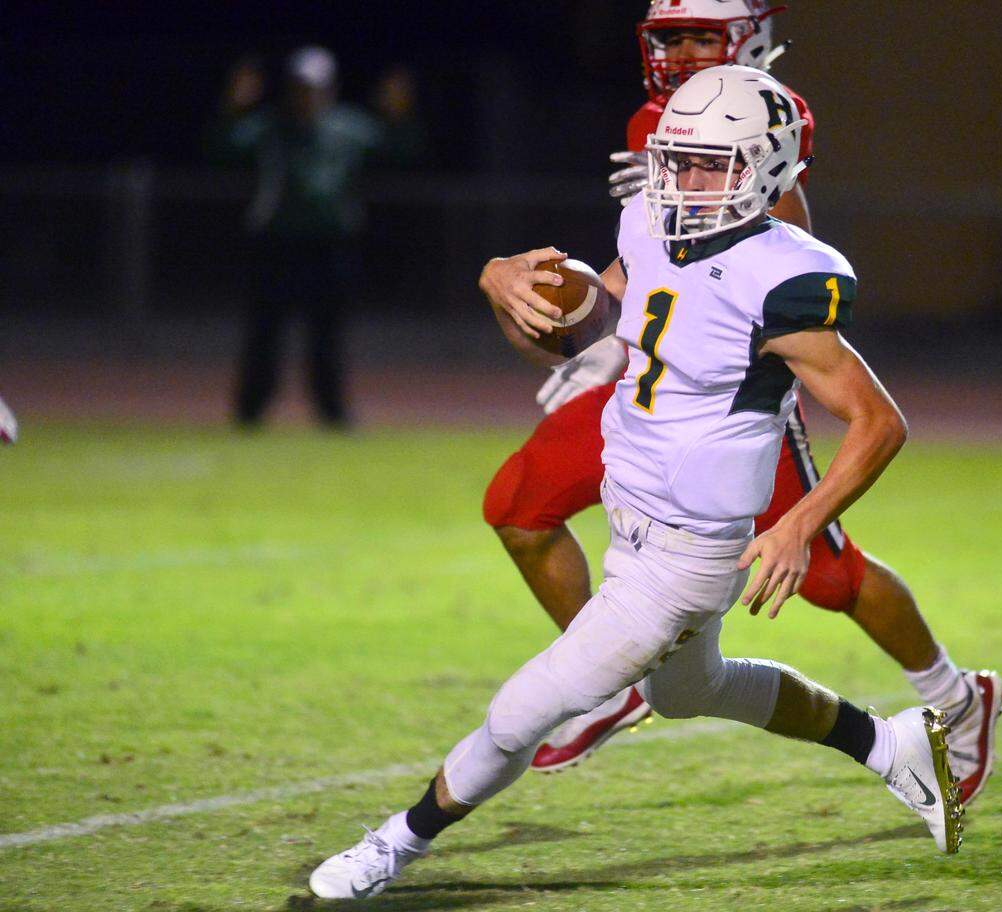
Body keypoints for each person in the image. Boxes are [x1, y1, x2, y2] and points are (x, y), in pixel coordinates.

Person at [309, 67, 966, 900]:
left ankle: (393, 847)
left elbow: (879, 421)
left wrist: (800, 522)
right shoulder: (650, 222)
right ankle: (890, 744)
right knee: (696, 691)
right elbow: (589, 329)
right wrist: (501, 277)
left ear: (766, 168)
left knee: (526, 709)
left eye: (710, 165)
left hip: (691, 556)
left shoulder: (784, 273)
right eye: (677, 159)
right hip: (629, 518)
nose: (685, 181)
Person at [481, 0, 1002, 802]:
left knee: (830, 574)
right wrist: (571, 317)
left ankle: (958, 700)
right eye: (671, 37)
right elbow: (644, 266)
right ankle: (615, 680)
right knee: (519, 506)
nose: (684, 53)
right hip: (645, 390)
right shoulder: (651, 118)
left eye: (703, 35)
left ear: (750, 39)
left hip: (730, 401)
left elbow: (757, 267)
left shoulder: (768, 125)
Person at [207, 47, 387, 428]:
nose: (307, 97)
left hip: (330, 247)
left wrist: (399, 115)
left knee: (327, 336)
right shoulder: (267, 128)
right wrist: (233, 107)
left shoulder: (349, 128)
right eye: (300, 88)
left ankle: (332, 412)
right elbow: (221, 149)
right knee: (264, 333)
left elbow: (402, 152)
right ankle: (249, 412)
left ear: (329, 89)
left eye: (314, 88)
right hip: (277, 245)